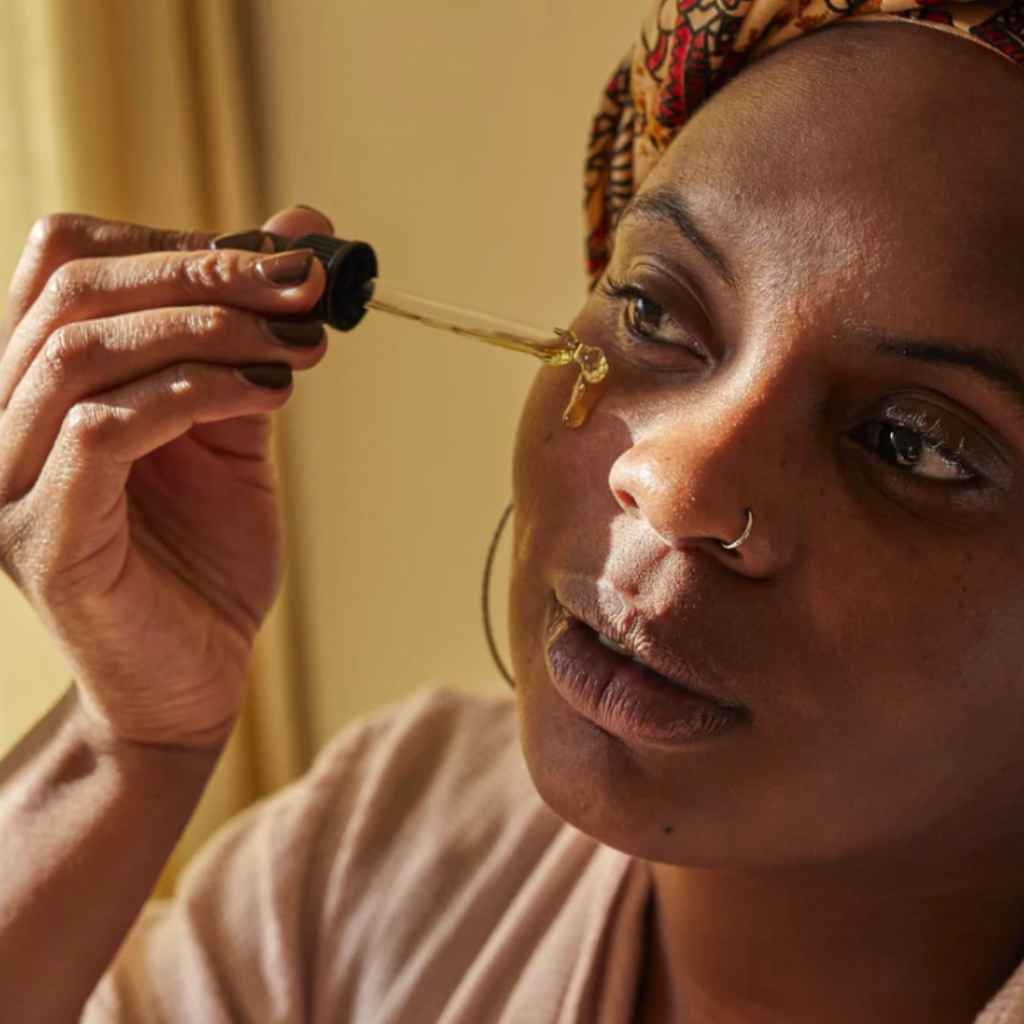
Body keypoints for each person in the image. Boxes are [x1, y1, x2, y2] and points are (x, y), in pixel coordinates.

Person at [2, 0, 1024, 1020]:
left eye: (916, 445)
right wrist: (131, 739)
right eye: (652, 309)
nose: (674, 489)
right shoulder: (391, 857)